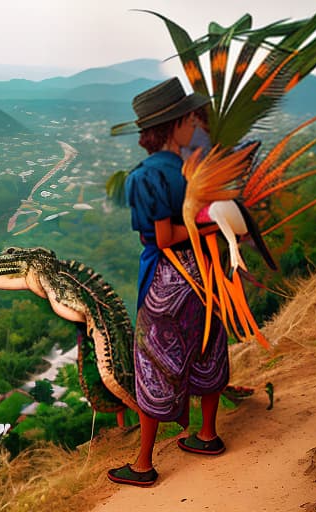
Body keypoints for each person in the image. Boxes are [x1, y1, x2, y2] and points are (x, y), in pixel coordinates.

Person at [107, 77, 230, 486]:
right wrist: (216, 226)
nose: (193, 125)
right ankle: (207, 435)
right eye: (186, 119)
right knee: (208, 346)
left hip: (168, 279)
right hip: (205, 272)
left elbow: (162, 240)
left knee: (155, 363)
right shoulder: (197, 167)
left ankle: (143, 465)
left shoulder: (145, 177)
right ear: (173, 126)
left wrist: (206, 227)